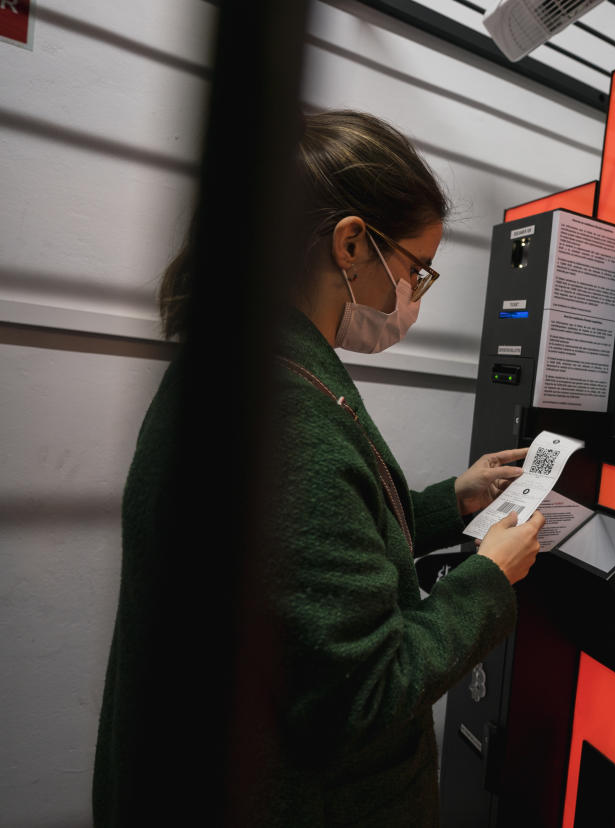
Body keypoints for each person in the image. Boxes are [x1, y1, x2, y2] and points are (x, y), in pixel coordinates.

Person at [93, 109, 544, 826]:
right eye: (416, 270)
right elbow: (366, 693)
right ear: (351, 244)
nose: (415, 298)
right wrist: (488, 576)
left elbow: (305, 559)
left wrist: (448, 502)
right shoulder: (284, 422)